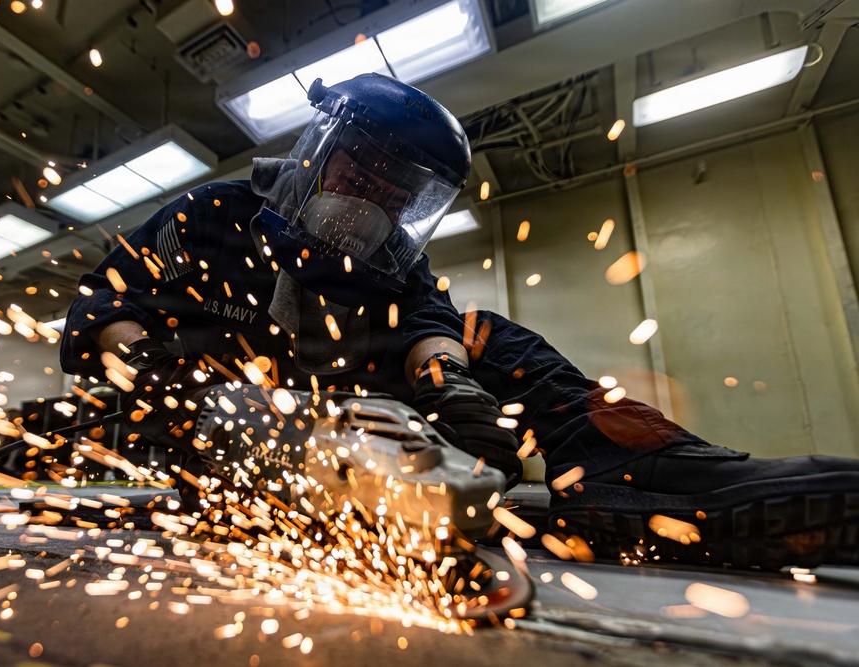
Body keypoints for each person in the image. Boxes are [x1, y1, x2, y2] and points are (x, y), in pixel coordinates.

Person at [61, 73, 859, 569]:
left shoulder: (393, 264)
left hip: (350, 423)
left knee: (491, 337)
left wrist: (450, 384)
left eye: (395, 189)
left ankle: (649, 483)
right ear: (317, 152)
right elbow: (104, 305)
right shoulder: (213, 214)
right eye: (358, 168)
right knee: (201, 419)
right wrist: (158, 378)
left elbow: (433, 325)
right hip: (213, 431)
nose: (371, 195)